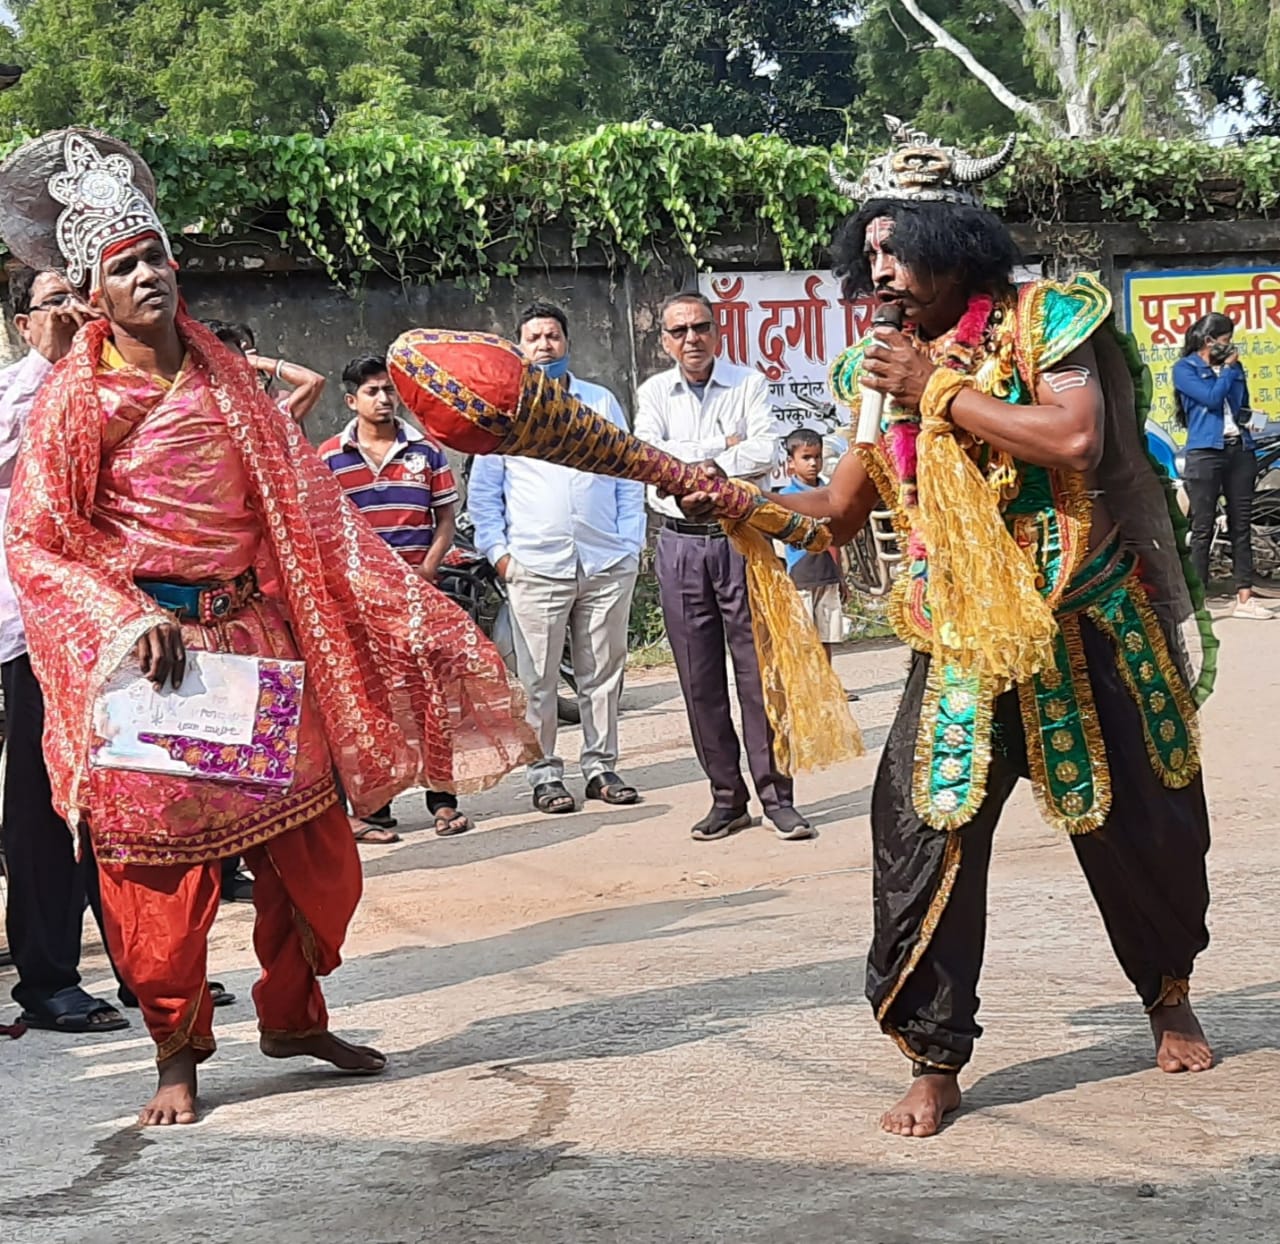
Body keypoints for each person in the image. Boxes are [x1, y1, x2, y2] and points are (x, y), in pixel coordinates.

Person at [681, 125, 1214, 1134]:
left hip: (1087, 620)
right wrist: (738, 501)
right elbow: (837, 514)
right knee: (921, 835)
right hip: (962, 636)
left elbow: (1073, 437)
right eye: (869, 251)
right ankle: (933, 1054)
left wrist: (937, 387)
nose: (879, 269)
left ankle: (1167, 997)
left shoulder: (1047, 319)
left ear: (956, 243)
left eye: (898, 247)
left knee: (1148, 829)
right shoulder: (869, 370)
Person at [1, 129, 529, 1125]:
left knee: (318, 858)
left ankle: (292, 1019)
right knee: (157, 880)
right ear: (93, 294)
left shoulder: (226, 380)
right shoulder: (77, 399)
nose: (149, 275)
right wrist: (123, 617)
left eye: (156, 255)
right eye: (125, 266)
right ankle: (177, 1051)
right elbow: (37, 540)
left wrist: (399, 607)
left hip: (257, 644)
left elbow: (312, 513)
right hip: (152, 665)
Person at [633, 291, 812, 842]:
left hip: (742, 542)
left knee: (760, 675)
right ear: (665, 341)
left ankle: (778, 798)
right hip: (680, 545)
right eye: (679, 330)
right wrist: (717, 458)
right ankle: (727, 799)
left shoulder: (748, 383)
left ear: (717, 331)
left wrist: (697, 461)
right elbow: (648, 462)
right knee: (699, 679)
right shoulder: (653, 393)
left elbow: (764, 451)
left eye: (701, 327)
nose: (692, 338)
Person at [469, 301, 645, 814]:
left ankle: (601, 767)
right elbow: (484, 496)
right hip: (535, 567)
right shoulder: (503, 411)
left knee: (603, 674)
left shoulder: (600, 401)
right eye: (535, 338)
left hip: (605, 562)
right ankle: (545, 774)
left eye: (553, 336)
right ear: (519, 349)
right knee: (537, 681)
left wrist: (630, 545)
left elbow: (627, 473)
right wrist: (500, 555)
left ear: (567, 343)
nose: (545, 345)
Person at [318, 354, 472, 837]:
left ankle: (443, 801)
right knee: (370, 700)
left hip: (418, 592)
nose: (383, 399)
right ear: (351, 401)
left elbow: (444, 520)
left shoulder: (426, 451)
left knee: (428, 694)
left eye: (388, 390)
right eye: (372, 391)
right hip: (359, 599)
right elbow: (325, 530)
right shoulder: (329, 457)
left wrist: (428, 569)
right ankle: (375, 806)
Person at [1172, 312, 1273, 619]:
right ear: (1209, 340)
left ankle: (1245, 598)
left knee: (1241, 525)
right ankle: (1198, 602)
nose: (1230, 346)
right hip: (1206, 452)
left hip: (1239, 449)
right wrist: (1227, 369)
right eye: (1226, 340)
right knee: (1202, 528)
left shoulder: (1235, 369)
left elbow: (1240, 405)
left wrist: (1253, 420)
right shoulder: (1185, 369)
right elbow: (1212, 399)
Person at [778, 427, 851, 670]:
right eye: (806, 457)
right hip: (800, 578)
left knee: (826, 637)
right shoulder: (786, 498)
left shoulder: (830, 494)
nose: (813, 463)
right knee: (804, 638)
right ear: (791, 462)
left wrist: (840, 577)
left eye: (817, 457)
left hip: (827, 575)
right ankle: (809, 685)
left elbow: (835, 540)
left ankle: (826, 682)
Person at [204, 318, 326, 425]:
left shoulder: (269, 413)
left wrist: (258, 361)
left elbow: (313, 381)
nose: (238, 371)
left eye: (239, 361)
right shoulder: (200, 420)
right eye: (225, 364)